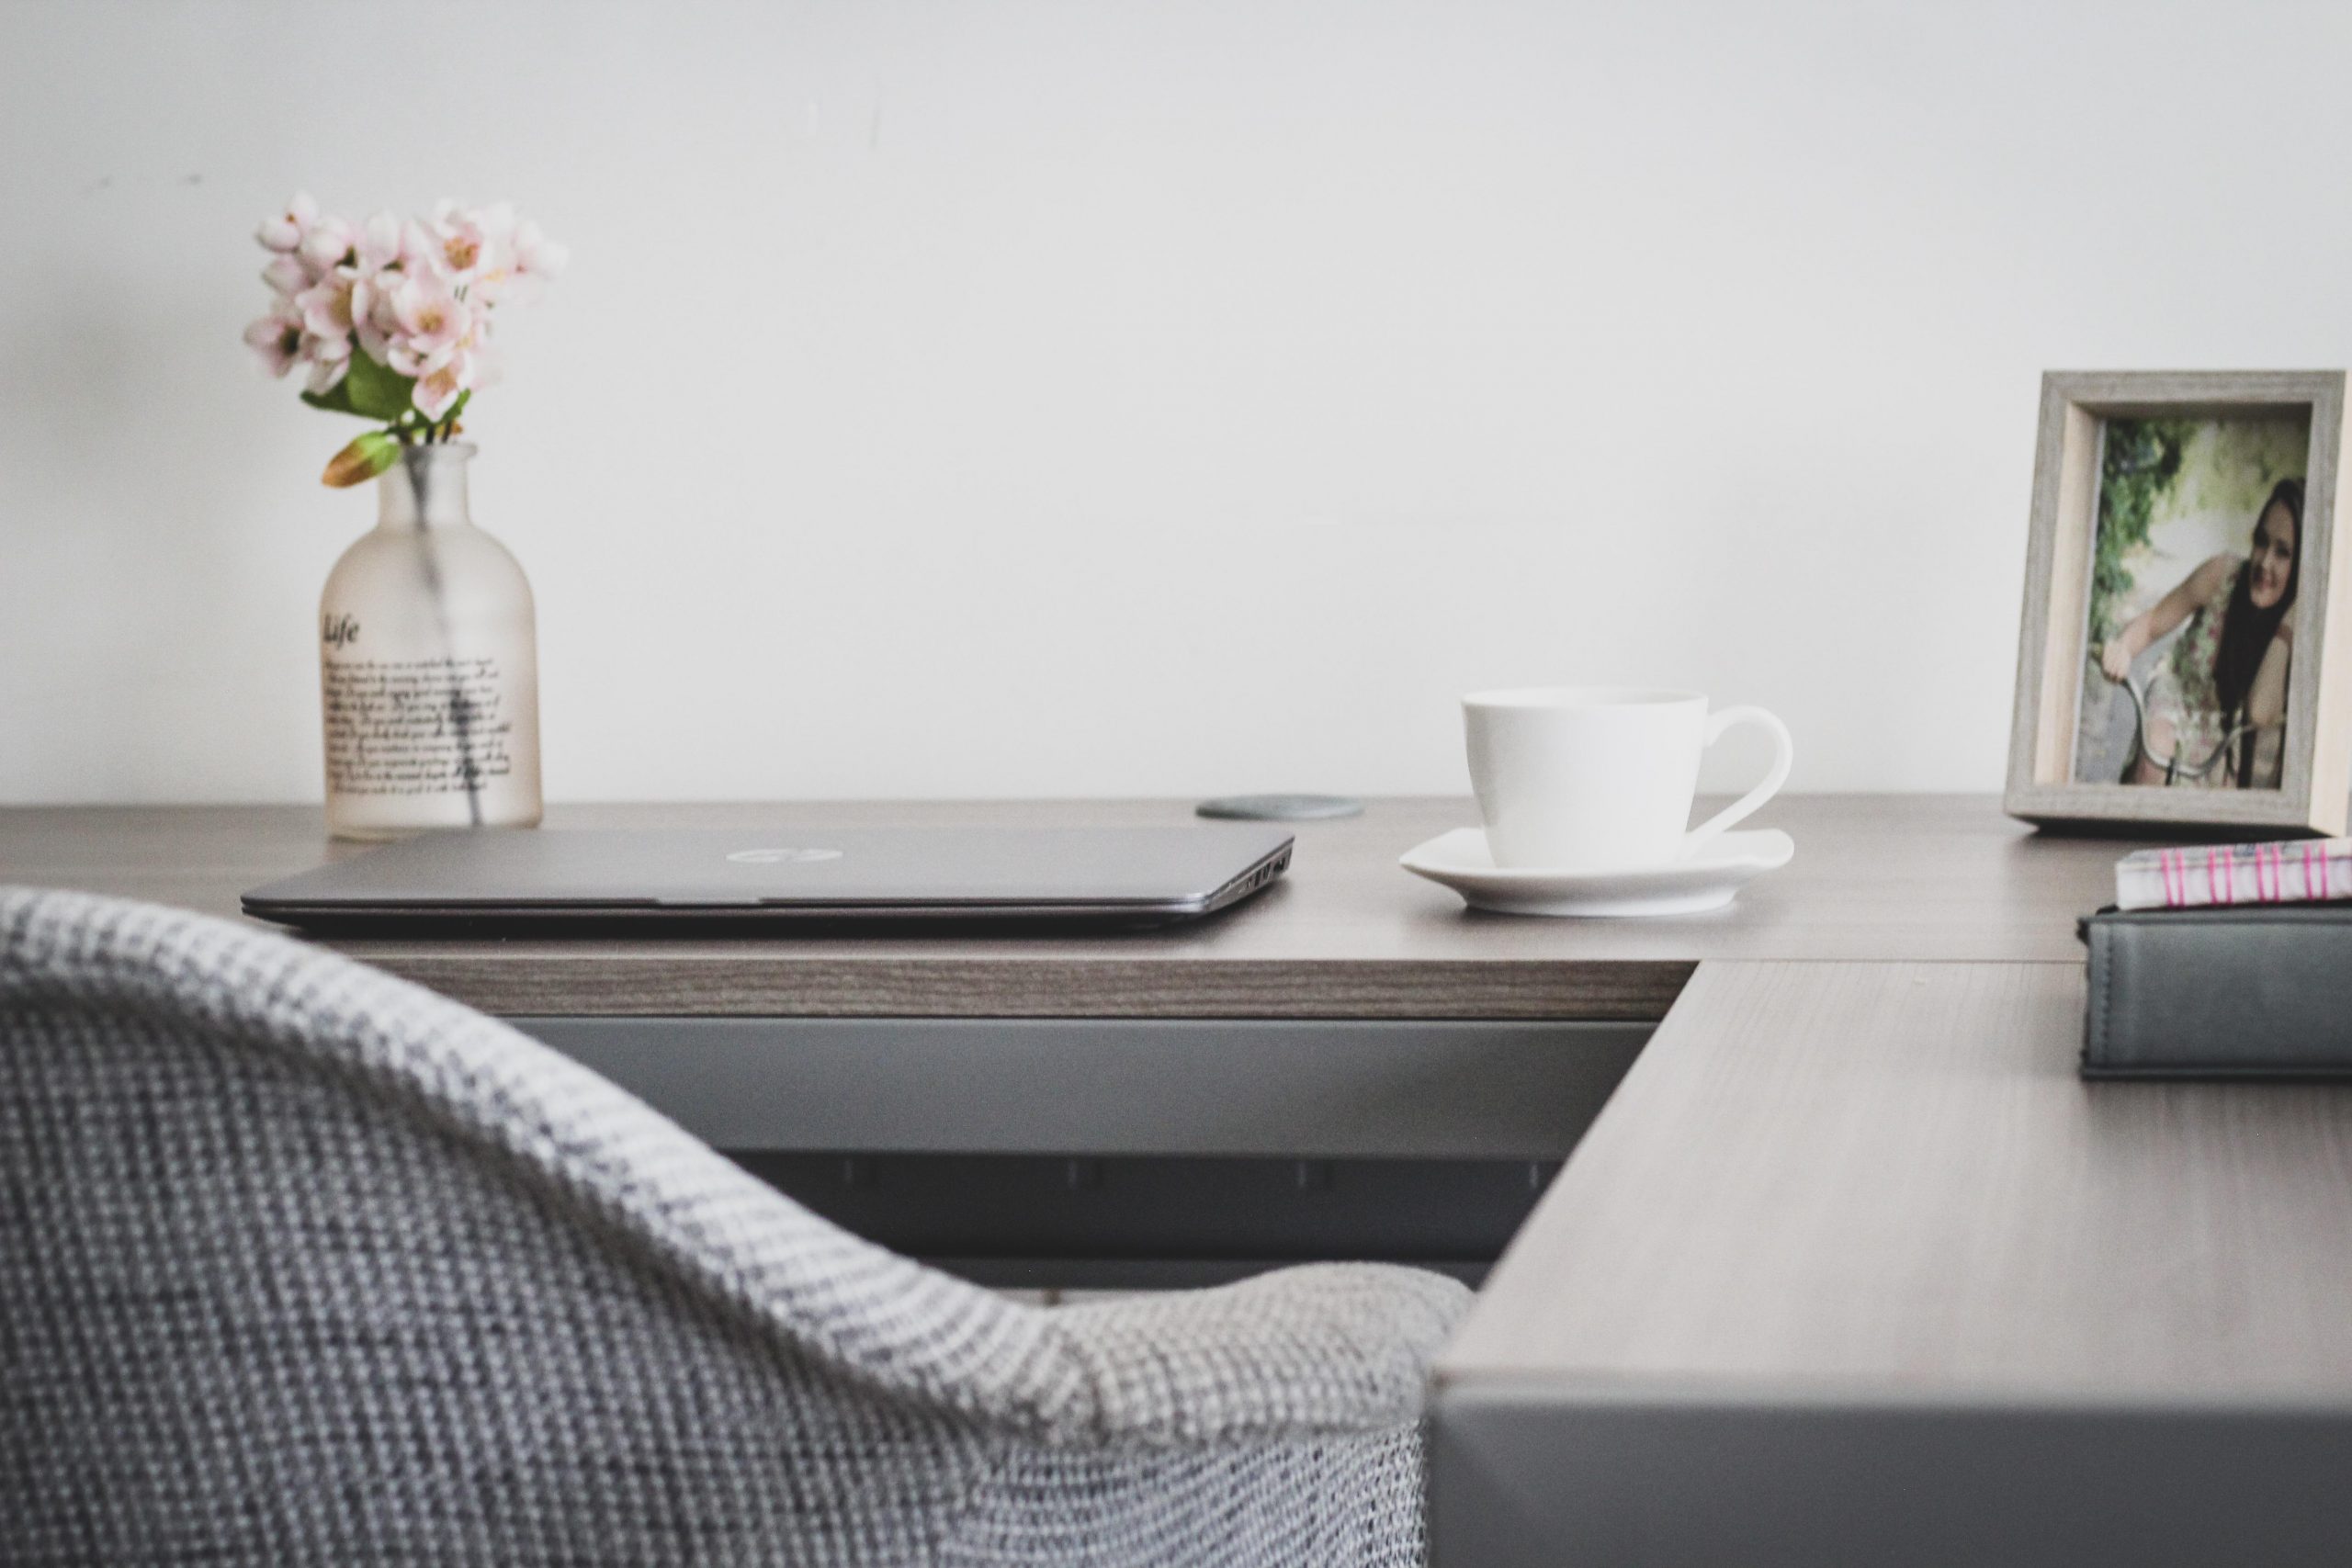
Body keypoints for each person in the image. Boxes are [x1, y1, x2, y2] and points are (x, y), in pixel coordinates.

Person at [2098, 477, 2301, 788]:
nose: (2265, 562)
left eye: (2283, 552)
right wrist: (2122, 648)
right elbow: (2154, 621)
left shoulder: (2300, 634)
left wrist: (2291, 619)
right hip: (2177, 702)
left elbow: (2260, 713)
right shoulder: (2223, 575)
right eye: (2261, 541)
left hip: (2224, 749)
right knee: (2155, 759)